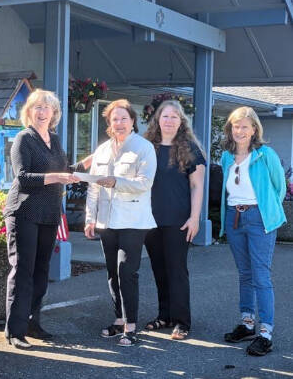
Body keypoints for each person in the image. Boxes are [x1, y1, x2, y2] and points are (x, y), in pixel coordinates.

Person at [3, 89, 80, 349]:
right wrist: (58, 177)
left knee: (41, 272)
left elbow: (64, 170)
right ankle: (15, 331)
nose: (42, 112)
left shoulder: (55, 140)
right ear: (29, 111)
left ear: (54, 113)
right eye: (37, 107)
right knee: (23, 272)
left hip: (48, 214)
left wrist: (83, 168)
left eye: (47, 107)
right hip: (24, 212)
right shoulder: (23, 139)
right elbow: (23, 177)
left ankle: (32, 322)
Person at [84, 99, 157, 347]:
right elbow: (93, 185)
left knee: (127, 271)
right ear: (109, 123)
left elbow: (144, 183)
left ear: (133, 121)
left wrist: (116, 181)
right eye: (115, 119)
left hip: (134, 221)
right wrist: (90, 218)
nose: (119, 123)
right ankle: (118, 319)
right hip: (106, 220)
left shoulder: (144, 147)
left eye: (124, 118)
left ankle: (131, 326)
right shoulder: (103, 150)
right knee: (112, 273)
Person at [220, 107, 285, 356]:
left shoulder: (265, 154)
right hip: (235, 219)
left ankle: (265, 332)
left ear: (254, 129)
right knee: (244, 274)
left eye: (245, 126)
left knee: (260, 276)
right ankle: (247, 324)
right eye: (236, 126)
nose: (239, 131)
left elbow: (279, 188)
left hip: (259, 219)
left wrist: (267, 212)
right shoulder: (227, 156)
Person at [143, 100, 206, 340]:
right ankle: (165, 315)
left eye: (174, 117)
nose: (169, 120)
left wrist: (195, 218)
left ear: (181, 122)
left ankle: (182, 321)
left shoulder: (189, 148)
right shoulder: (148, 146)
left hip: (179, 219)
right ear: (157, 119)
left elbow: (197, 185)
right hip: (149, 219)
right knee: (159, 269)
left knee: (176, 270)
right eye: (165, 116)